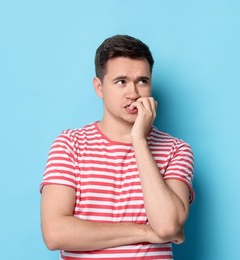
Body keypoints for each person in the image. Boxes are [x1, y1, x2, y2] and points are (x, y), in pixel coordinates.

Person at [40, 35, 195, 259]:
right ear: (99, 87)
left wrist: (139, 141)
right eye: (121, 81)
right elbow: (55, 233)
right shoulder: (70, 144)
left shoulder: (176, 149)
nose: (133, 93)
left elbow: (167, 227)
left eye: (142, 81)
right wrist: (145, 232)